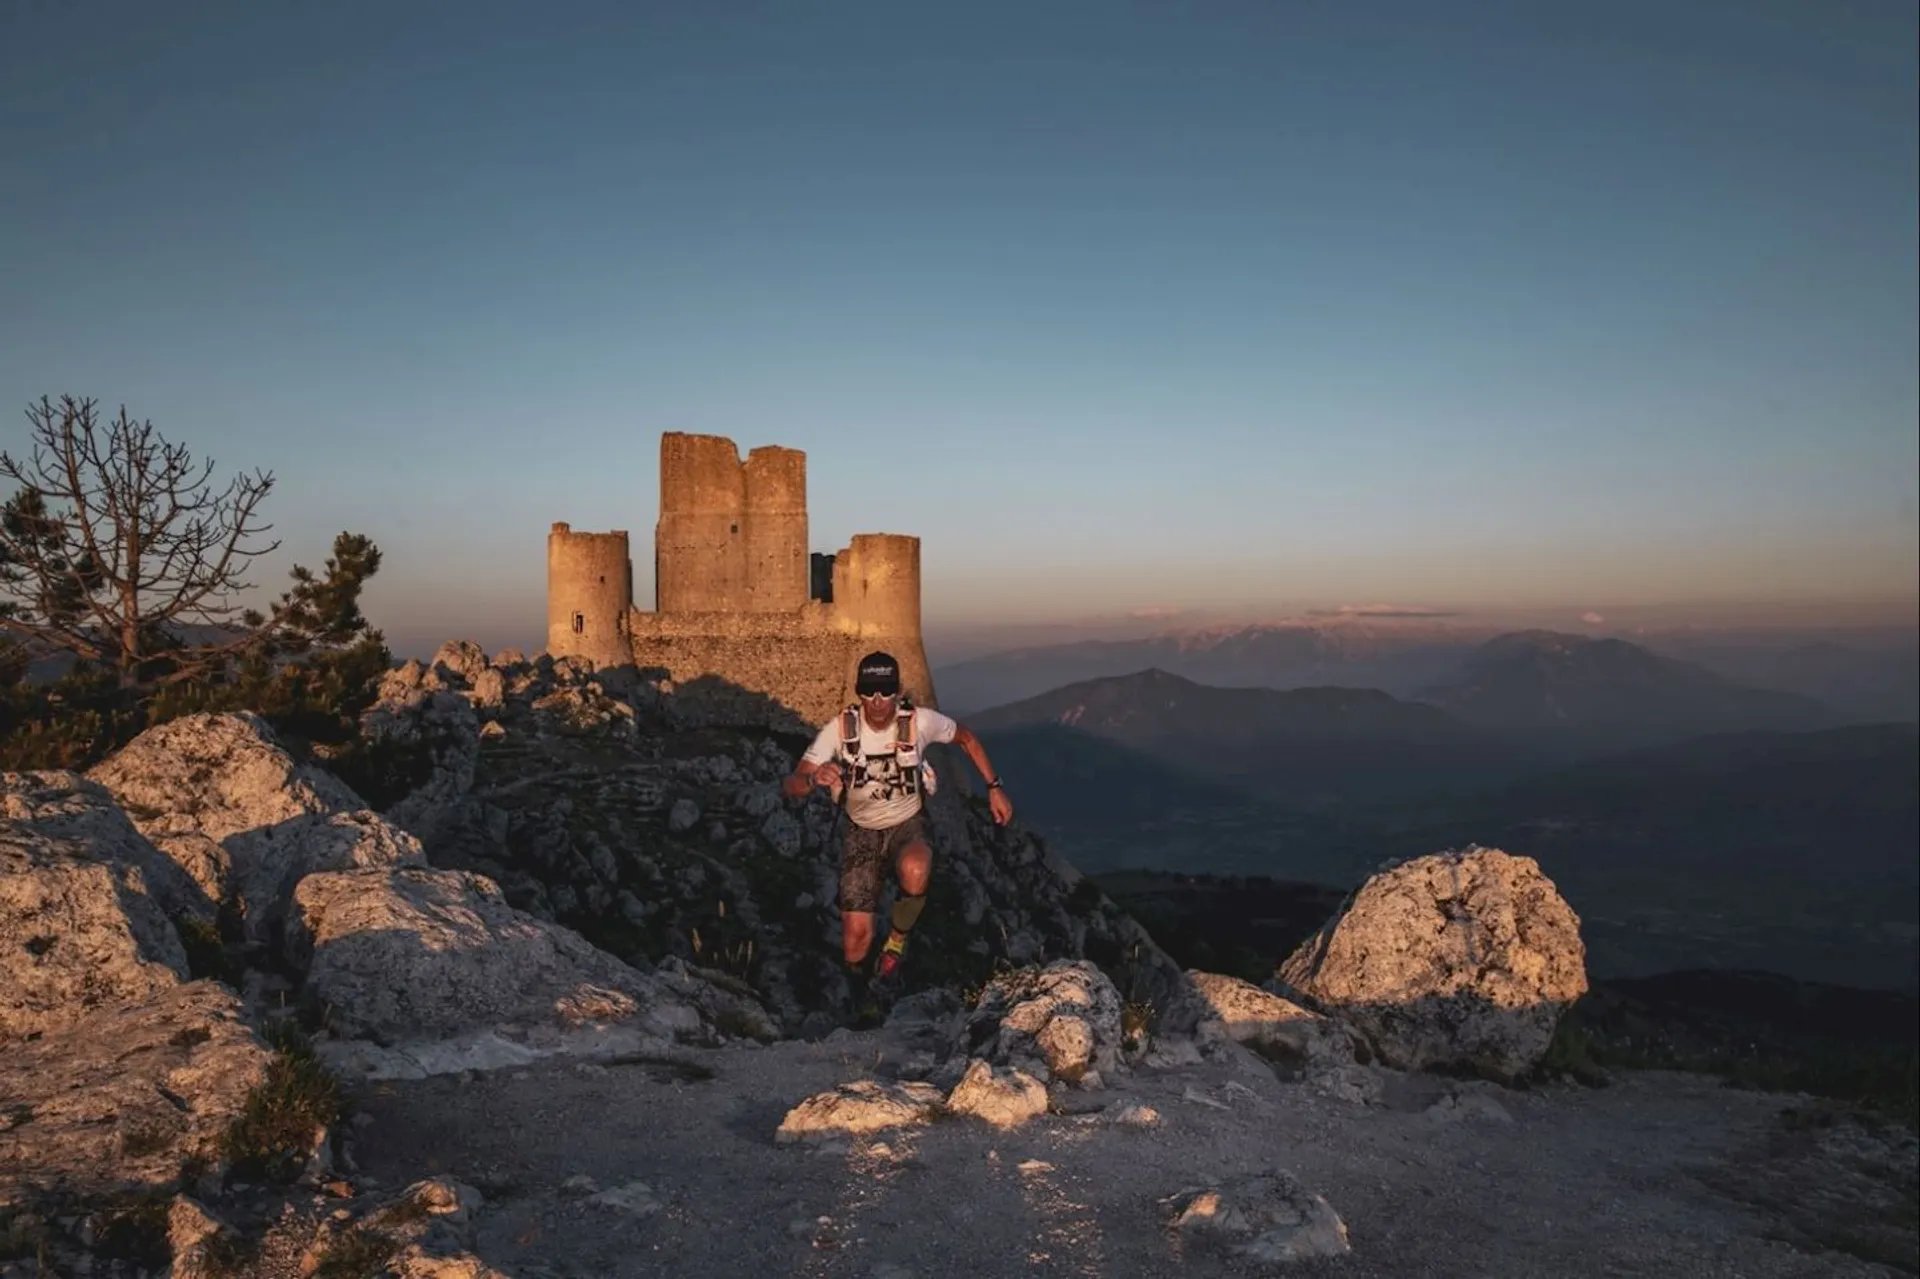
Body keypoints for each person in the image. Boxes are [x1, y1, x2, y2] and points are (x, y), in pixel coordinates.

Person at [782, 650, 1014, 996]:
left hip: (908, 823)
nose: (878, 701)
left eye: (887, 691)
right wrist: (815, 779)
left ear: (898, 690)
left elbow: (965, 737)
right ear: (859, 692)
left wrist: (994, 788)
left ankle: (896, 942)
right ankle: (864, 991)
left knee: (916, 868)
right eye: (871, 692)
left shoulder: (919, 722)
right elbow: (792, 784)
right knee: (855, 941)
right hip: (860, 831)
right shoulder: (839, 730)